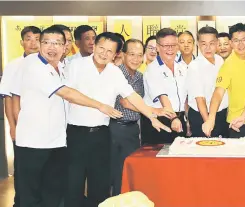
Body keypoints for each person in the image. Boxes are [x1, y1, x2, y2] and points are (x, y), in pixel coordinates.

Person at [11, 26, 121, 207]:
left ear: (66, 47)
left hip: (57, 142)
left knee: (53, 194)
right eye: (47, 42)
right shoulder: (32, 64)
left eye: (57, 43)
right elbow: (67, 93)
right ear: (40, 44)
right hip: (33, 143)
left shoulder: (62, 67)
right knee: (30, 196)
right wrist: (100, 105)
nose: (52, 47)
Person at [65, 32, 173, 207]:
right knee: (73, 184)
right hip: (76, 133)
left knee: (100, 185)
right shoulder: (76, 65)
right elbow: (69, 94)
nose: (104, 53)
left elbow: (131, 96)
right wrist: (100, 105)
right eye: (101, 48)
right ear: (94, 46)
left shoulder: (114, 72)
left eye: (110, 51)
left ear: (116, 54)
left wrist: (151, 116)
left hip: (101, 134)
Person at [202, 23, 245, 143]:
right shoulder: (227, 65)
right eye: (236, 40)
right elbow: (218, 94)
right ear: (231, 43)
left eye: (244, 40)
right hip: (238, 124)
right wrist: (211, 119)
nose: (241, 44)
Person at [0, 25, 40, 207]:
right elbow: (8, 98)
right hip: (23, 127)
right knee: (23, 169)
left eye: (37, 39)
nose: (33, 43)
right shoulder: (13, 66)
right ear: (22, 42)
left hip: (45, 128)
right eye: (29, 38)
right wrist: (13, 127)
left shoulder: (48, 63)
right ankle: (21, 202)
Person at [109, 39, 147, 196]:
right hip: (114, 128)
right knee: (115, 173)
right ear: (123, 55)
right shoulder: (114, 73)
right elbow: (125, 101)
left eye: (139, 55)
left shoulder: (140, 76)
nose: (135, 59)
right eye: (131, 54)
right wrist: (152, 112)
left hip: (132, 129)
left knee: (130, 171)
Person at [142, 28, 188, 144]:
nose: (170, 49)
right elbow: (163, 98)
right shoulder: (152, 69)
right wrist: (173, 118)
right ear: (157, 47)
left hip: (179, 119)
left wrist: (187, 120)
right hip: (160, 120)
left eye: (173, 45)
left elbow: (186, 96)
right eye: (166, 45)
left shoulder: (182, 67)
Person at [186, 26, 229, 137]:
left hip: (220, 114)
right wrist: (208, 122)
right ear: (198, 45)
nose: (208, 48)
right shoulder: (194, 66)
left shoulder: (220, 60)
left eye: (212, 43)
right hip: (201, 115)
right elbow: (200, 99)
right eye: (204, 44)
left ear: (217, 43)